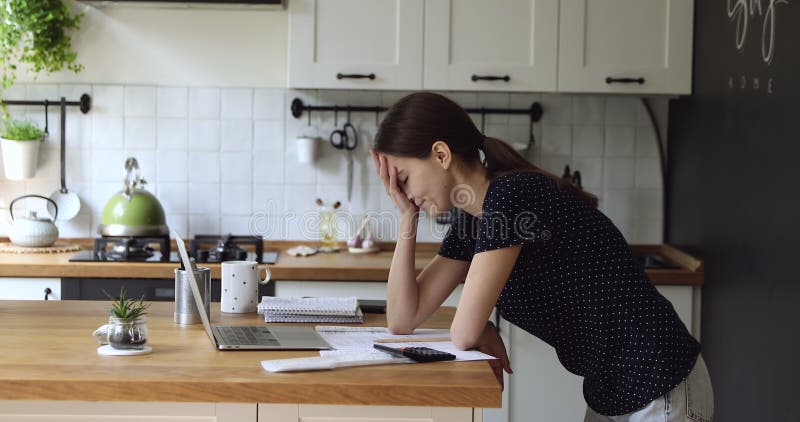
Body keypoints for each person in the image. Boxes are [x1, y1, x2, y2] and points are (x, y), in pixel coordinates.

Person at [370, 92, 714, 422]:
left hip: (658, 382)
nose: (407, 194)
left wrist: (478, 329)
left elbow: (463, 334)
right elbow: (403, 319)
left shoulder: (510, 197)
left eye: (404, 179)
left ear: (441, 154)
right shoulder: (473, 220)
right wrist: (406, 217)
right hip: (613, 391)